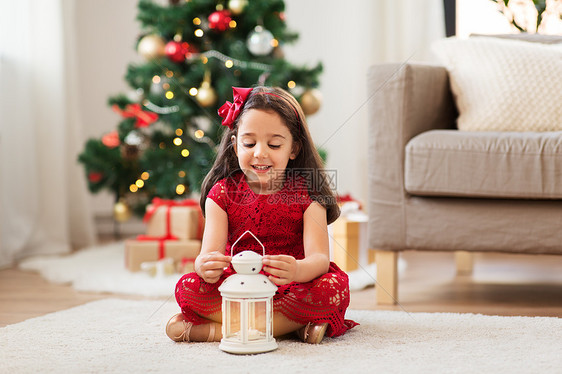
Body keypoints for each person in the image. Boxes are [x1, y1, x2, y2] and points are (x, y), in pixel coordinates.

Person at [166, 86, 358, 344]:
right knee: (187, 286)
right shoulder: (221, 194)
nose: (260, 153)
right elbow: (208, 255)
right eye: (249, 143)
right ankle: (289, 328)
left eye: (274, 144)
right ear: (235, 146)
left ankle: (222, 331)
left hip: (290, 286)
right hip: (239, 287)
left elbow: (320, 259)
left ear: (294, 148)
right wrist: (204, 266)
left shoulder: (308, 195)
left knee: (333, 287)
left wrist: (298, 269)